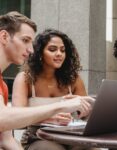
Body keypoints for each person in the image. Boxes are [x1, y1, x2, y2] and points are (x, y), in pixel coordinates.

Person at [0, 11, 92, 149]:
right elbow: (3, 118)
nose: (31, 50)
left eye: (63, 50)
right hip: (38, 136)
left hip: (70, 136)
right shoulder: (25, 78)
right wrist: (60, 107)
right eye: (25, 40)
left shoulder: (3, 85)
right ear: (4, 36)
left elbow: (6, 140)